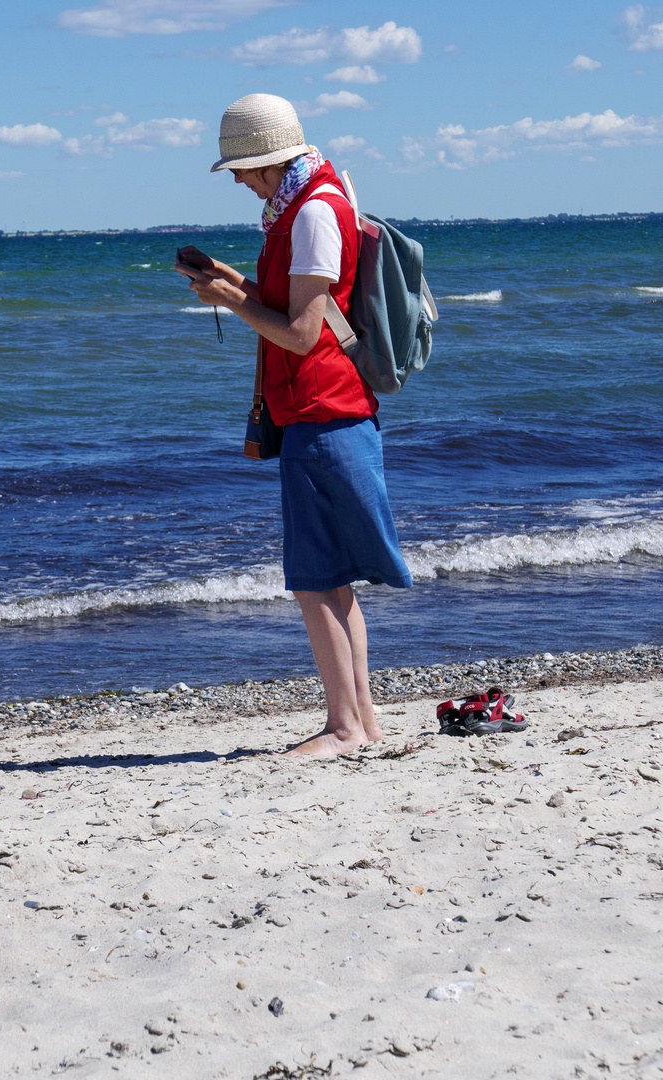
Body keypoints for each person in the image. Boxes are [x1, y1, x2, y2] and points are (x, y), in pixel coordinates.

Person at [178, 94, 414, 758]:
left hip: (323, 410)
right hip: (330, 413)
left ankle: (344, 728)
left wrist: (232, 302)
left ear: (264, 161)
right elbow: (298, 308)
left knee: (315, 581)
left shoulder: (311, 214)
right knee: (331, 579)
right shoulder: (311, 199)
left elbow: (305, 334)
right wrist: (233, 282)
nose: (236, 181)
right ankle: (361, 723)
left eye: (239, 169)